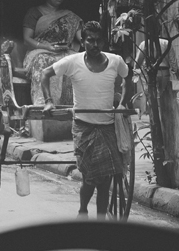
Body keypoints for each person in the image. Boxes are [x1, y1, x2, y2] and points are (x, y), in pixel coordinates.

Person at [41, 21, 129, 219]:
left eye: (99, 41)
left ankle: (99, 223)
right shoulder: (73, 61)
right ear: (83, 41)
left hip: (107, 128)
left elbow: (127, 79)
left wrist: (122, 103)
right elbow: (45, 74)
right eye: (90, 40)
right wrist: (48, 102)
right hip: (83, 128)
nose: (95, 45)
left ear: (104, 41)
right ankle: (82, 209)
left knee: (105, 180)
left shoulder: (116, 61)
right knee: (90, 179)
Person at [22, 0, 82, 107]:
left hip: (64, 51)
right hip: (40, 51)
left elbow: (81, 37)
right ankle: (43, 104)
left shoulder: (69, 16)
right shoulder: (34, 13)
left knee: (76, 61)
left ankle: (73, 104)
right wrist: (47, 47)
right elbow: (27, 39)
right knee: (43, 61)